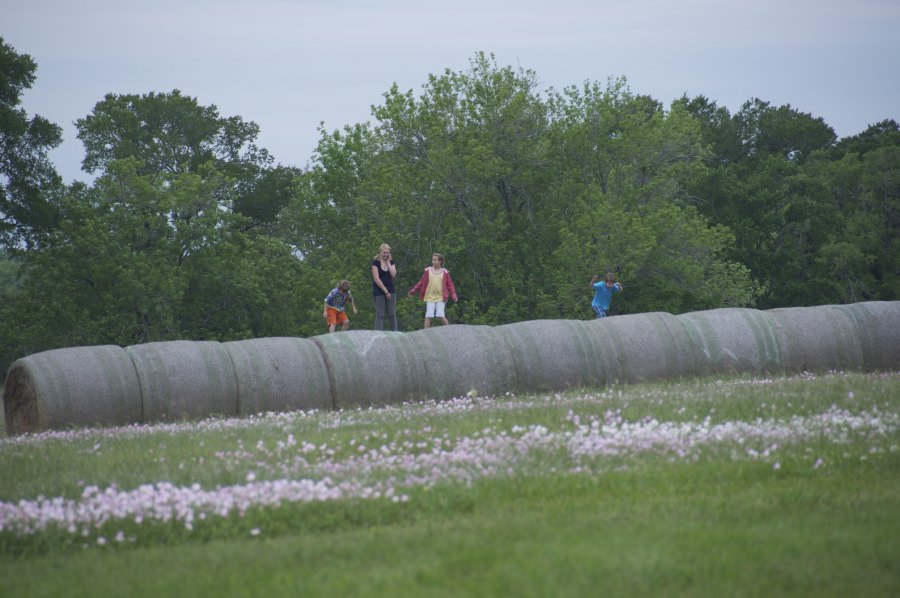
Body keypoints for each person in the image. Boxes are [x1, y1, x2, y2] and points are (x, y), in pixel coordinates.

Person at [408, 253, 458, 328]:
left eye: (435, 260)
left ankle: (448, 330)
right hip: (430, 296)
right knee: (429, 315)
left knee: (440, 314)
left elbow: (450, 285)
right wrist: (414, 291)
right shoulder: (428, 270)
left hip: (441, 297)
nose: (433, 261)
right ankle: (425, 332)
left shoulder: (444, 272)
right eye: (432, 260)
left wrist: (453, 294)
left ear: (440, 261)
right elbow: (421, 282)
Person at [371, 243, 398, 331]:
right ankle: (379, 333)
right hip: (379, 291)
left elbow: (393, 274)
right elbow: (376, 279)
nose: (386, 254)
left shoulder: (391, 262)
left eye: (388, 253)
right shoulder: (375, 263)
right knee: (380, 314)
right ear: (380, 252)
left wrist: (388, 262)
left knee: (392, 313)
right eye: (384, 253)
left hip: (391, 290)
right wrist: (385, 291)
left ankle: (395, 332)